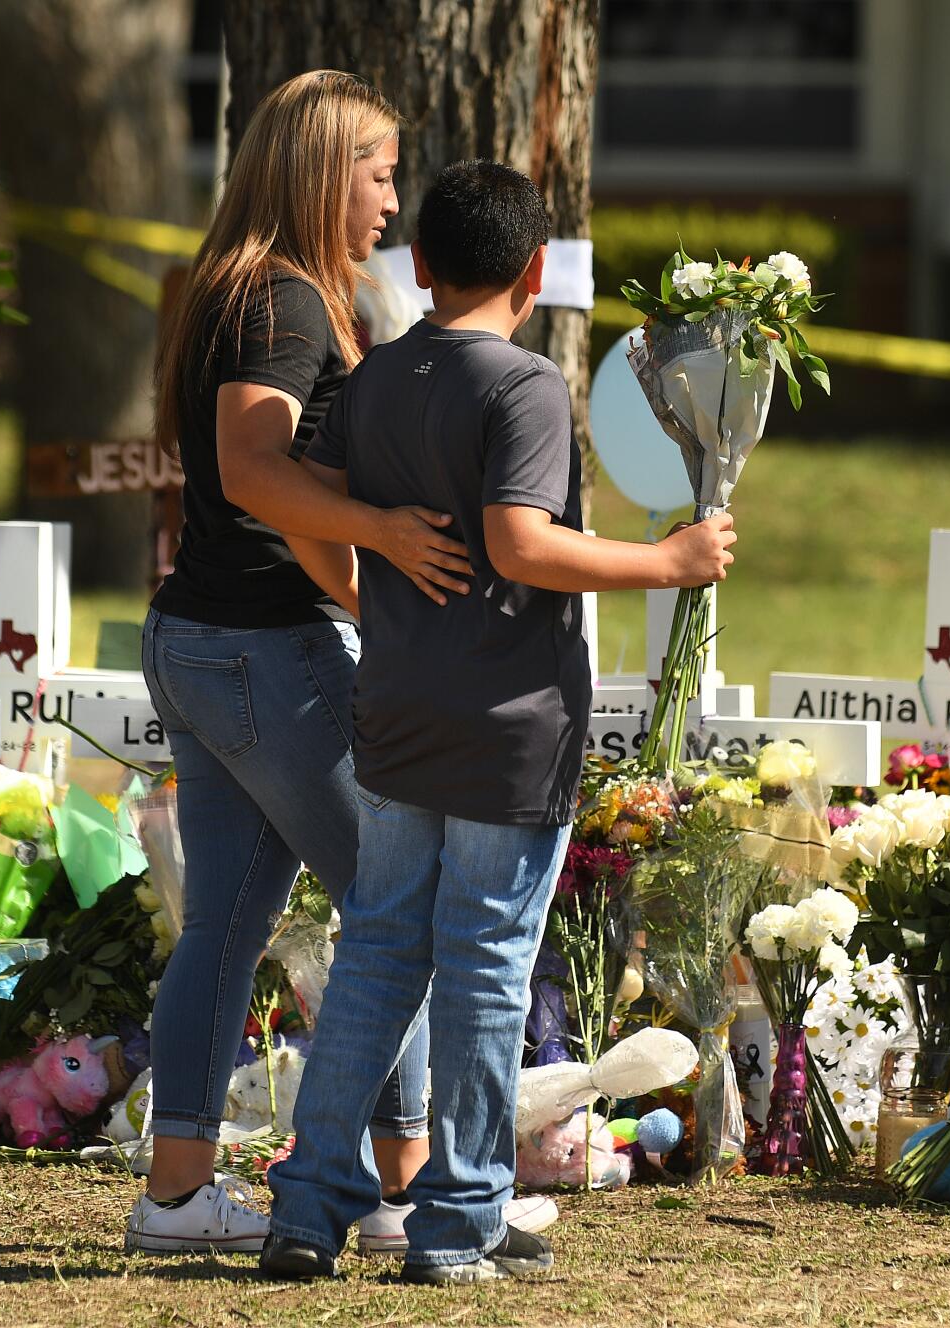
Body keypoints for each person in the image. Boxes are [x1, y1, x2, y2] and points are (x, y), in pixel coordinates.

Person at [260, 160, 737, 1284]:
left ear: (417, 266)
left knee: (377, 954)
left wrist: (362, 579)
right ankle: (457, 1218)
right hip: (505, 722)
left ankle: (307, 1201)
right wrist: (664, 559)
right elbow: (520, 541)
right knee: (481, 966)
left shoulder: (374, 376)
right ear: (533, 272)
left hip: (399, 706)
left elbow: (303, 509)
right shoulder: (520, 385)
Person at [127, 71, 556, 1256]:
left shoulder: (237, 286)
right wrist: (384, 536)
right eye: (374, 171)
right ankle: (412, 1183)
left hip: (203, 638)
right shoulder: (284, 299)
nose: (388, 199)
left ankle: (175, 1199)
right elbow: (254, 469)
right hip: (266, 648)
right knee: (396, 909)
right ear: (323, 171)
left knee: (223, 925)